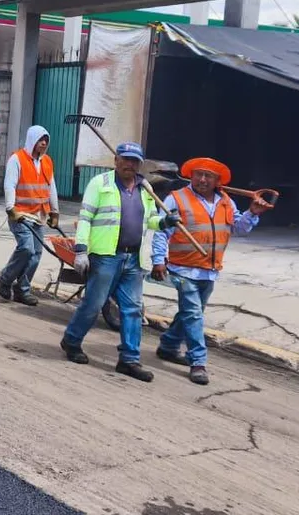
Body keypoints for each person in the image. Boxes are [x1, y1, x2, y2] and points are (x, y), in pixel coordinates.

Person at [61, 141, 180, 382]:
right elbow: (85, 218)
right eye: (125, 159)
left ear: (140, 165)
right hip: (106, 256)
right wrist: (81, 250)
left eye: (134, 161)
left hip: (134, 258)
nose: (129, 164)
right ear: (116, 160)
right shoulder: (100, 184)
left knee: (133, 310)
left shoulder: (145, 188)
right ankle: (72, 341)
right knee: (93, 304)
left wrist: (165, 222)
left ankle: (129, 359)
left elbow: (150, 220)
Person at [150, 157, 272, 385]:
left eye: (209, 176)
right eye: (198, 174)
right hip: (182, 269)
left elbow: (239, 229)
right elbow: (161, 232)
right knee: (194, 315)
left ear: (218, 181)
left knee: (190, 313)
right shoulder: (176, 198)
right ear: (191, 176)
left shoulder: (226, 202)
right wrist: (158, 260)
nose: (202, 179)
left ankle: (168, 346)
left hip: (209, 269)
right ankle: (198, 361)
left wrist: (253, 213)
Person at [0, 125, 59, 307]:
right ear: (32, 140)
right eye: (41, 140)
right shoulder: (17, 159)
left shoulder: (47, 162)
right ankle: (5, 278)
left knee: (36, 254)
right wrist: (10, 208)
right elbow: (10, 184)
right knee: (27, 248)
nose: (44, 143)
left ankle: (22, 290)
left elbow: (51, 187)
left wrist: (55, 211)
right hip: (20, 213)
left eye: (46, 140)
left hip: (39, 214)